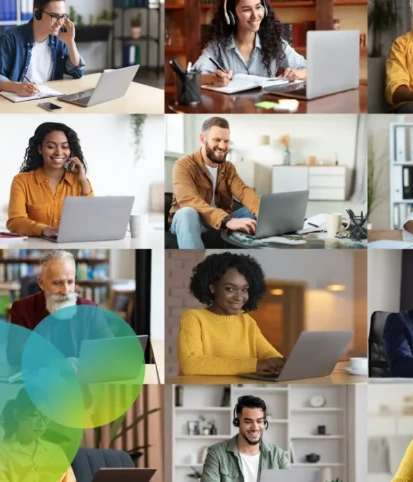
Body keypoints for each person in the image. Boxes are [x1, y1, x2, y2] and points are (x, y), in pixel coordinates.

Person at [178, 253, 285, 376]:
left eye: (244, 289)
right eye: (230, 289)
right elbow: (191, 364)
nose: (239, 297)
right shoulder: (193, 318)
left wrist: (283, 363)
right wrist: (256, 365)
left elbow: (269, 355)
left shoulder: (246, 321)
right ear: (212, 287)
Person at [169, 116, 260, 249]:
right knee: (187, 212)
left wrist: (260, 210)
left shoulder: (228, 167)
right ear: (202, 139)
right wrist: (226, 220)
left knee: (262, 207)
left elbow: (243, 192)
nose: (222, 146)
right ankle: (198, 266)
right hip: (194, 220)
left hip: (221, 220)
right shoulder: (183, 165)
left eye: (226, 141)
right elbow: (189, 200)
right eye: (217, 140)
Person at [6, 250, 105, 366]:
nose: (66, 291)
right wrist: (59, 363)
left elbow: (109, 348)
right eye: (58, 283)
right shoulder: (22, 309)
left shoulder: (91, 309)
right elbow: (15, 354)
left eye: (70, 282)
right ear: (41, 283)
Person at [7, 122, 93, 238]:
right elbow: (15, 222)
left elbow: (91, 220)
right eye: (51, 147)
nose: (58, 152)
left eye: (65, 147)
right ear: (40, 149)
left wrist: (82, 179)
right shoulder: (21, 181)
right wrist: (44, 230)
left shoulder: (81, 182)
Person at [194, 0, 306, 87]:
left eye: (258, 7)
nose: (255, 15)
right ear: (231, 15)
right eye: (246, 9)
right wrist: (211, 78)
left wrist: (298, 74)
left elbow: (313, 69)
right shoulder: (217, 47)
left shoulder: (275, 42)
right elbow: (191, 78)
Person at [0, 0, 84, 95]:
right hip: (18, 103)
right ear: (37, 13)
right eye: (54, 16)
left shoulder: (58, 39)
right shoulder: (9, 39)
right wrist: (17, 87)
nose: (60, 22)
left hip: (49, 99)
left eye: (63, 17)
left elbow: (77, 72)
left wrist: (71, 42)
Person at [0, 389, 77, 482]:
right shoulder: (0, 451)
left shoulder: (56, 451)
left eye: (46, 418)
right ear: (17, 414)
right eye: (34, 415)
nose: (41, 424)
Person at [202, 396, 289, 482]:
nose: (255, 427)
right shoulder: (216, 453)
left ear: (264, 423)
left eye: (259, 421)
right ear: (237, 422)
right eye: (248, 422)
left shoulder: (278, 455)